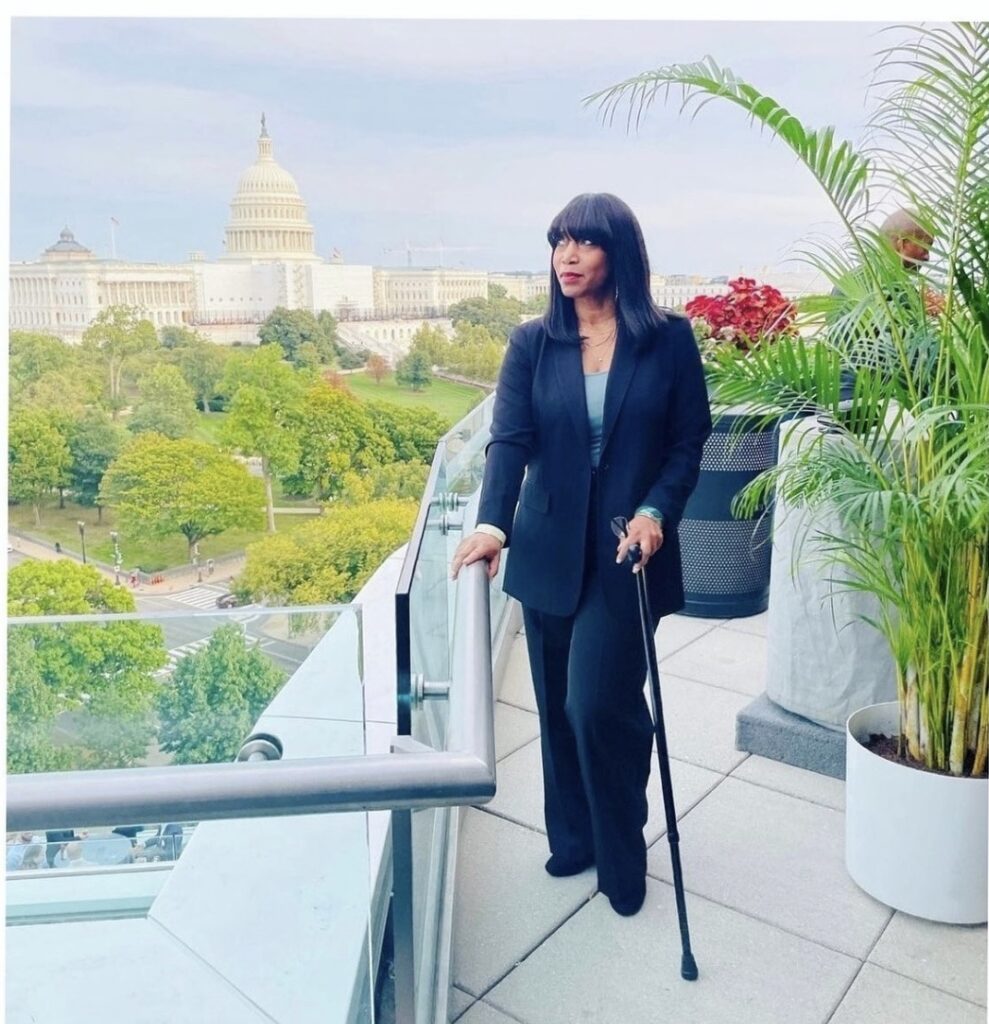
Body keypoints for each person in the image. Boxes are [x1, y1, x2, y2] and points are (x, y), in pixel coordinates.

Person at [451, 193, 711, 917]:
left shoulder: (667, 338)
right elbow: (509, 442)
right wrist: (492, 527)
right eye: (557, 241)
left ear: (617, 253)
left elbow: (690, 440)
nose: (566, 256)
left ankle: (620, 848)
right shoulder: (532, 342)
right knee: (557, 710)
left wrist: (658, 510)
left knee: (596, 704)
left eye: (583, 243)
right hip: (545, 547)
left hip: (630, 551)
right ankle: (574, 838)